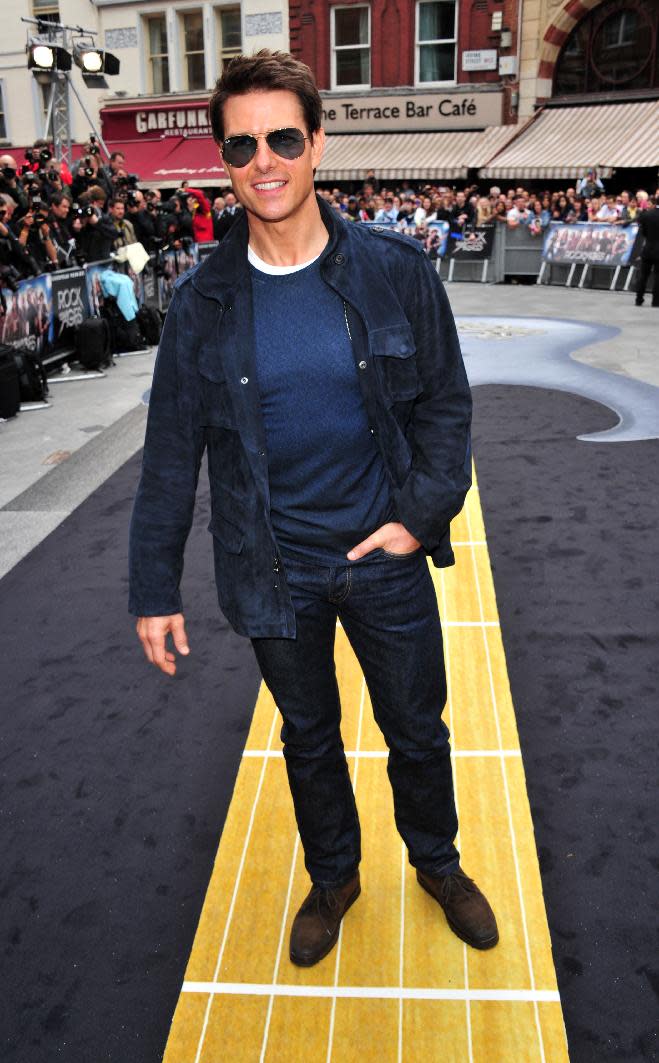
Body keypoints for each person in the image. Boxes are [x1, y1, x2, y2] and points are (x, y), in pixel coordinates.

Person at [129, 49, 498, 970]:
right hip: (273, 566)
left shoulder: (393, 269)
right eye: (242, 143)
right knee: (308, 735)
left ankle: (436, 860)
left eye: (283, 137)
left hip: (385, 559)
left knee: (417, 727)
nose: (264, 160)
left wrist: (417, 517)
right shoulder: (202, 304)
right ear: (224, 157)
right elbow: (173, 452)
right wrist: (153, 588)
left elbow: (446, 405)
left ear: (317, 143)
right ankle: (333, 875)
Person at [634, 194, 659, 307]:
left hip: (648, 248)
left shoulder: (646, 215)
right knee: (658, 276)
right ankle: (656, 301)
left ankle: (639, 299)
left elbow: (643, 232)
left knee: (643, 275)